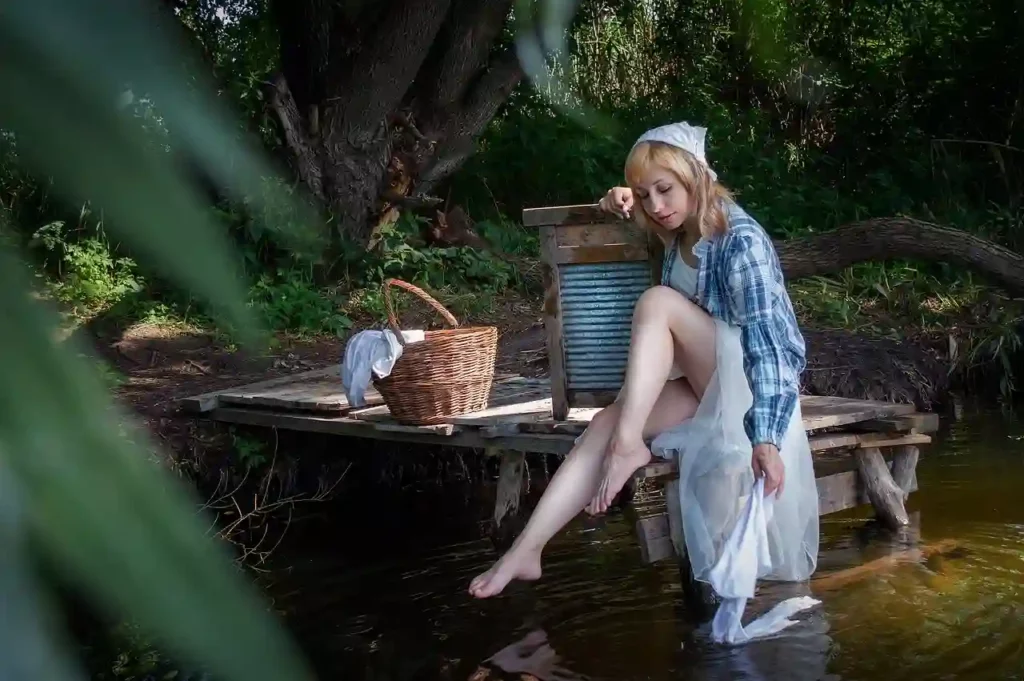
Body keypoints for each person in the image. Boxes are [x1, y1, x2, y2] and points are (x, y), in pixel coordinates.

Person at [468, 122, 819, 600]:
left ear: (696, 176)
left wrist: (767, 437)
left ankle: (630, 445)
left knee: (656, 303)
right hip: (705, 384)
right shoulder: (671, 228)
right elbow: (628, 214)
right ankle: (526, 551)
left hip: (749, 387)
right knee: (606, 425)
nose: (656, 205)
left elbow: (769, 346)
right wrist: (613, 201)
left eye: (665, 189)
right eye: (644, 193)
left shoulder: (741, 241)